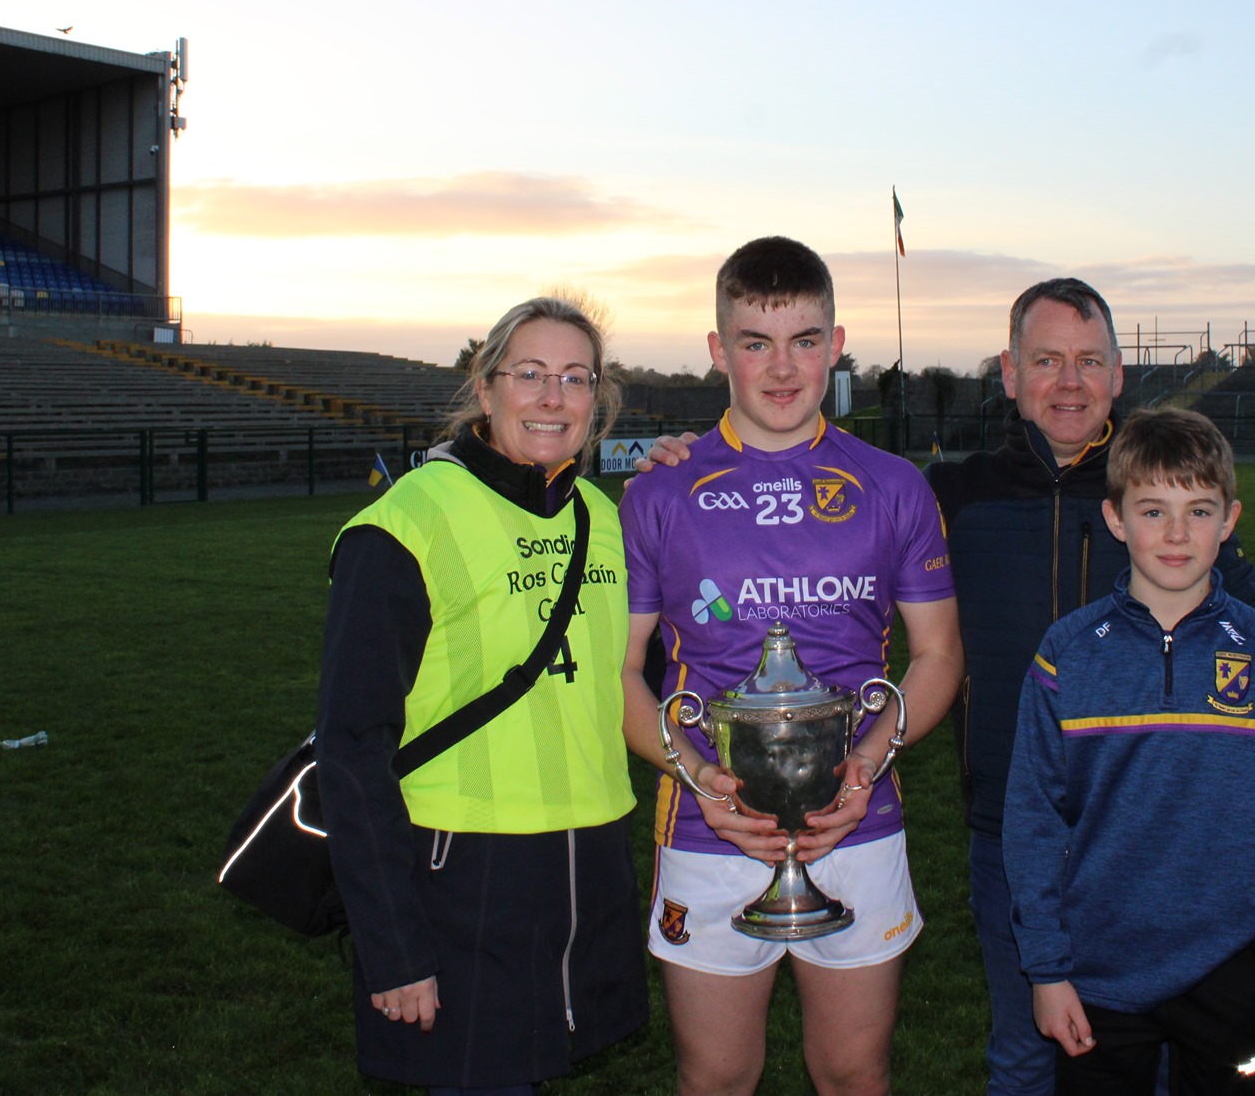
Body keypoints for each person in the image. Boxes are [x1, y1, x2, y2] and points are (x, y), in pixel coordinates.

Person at [618, 236, 963, 1096]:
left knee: (852, 1072)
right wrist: (701, 780)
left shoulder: (892, 485)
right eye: (756, 342)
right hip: (709, 829)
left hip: (858, 820)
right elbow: (621, 676)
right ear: (717, 349)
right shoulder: (659, 490)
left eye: (805, 340)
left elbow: (938, 653)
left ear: (836, 344)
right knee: (717, 1076)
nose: (782, 367)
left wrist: (866, 765)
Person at [924, 278, 1255, 1096]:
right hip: (1011, 834)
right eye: (1046, 359)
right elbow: (831, 523)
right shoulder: (954, 495)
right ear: (1009, 372)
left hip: (1153, 837)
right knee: (1025, 1053)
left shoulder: (1158, 494)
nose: (1070, 381)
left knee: (1155, 1057)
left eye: (1089, 361)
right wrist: (696, 454)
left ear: (1119, 374)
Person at [316, 296, 647, 1095]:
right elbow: (350, 747)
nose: (553, 397)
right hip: (457, 880)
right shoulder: (406, 523)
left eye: (576, 377)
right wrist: (394, 946)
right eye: (529, 373)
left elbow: (638, 677)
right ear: (485, 384)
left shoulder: (602, 516)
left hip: (586, 867)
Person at [1003, 407, 1255, 1093]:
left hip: (1234, 972)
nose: (1177, 533)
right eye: (1153, 511)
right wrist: (1047, 971)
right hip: (1097, 975)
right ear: (1116, 518)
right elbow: (1033, 820)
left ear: (1229, 519)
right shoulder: (1067, 654)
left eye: (1199, 511)